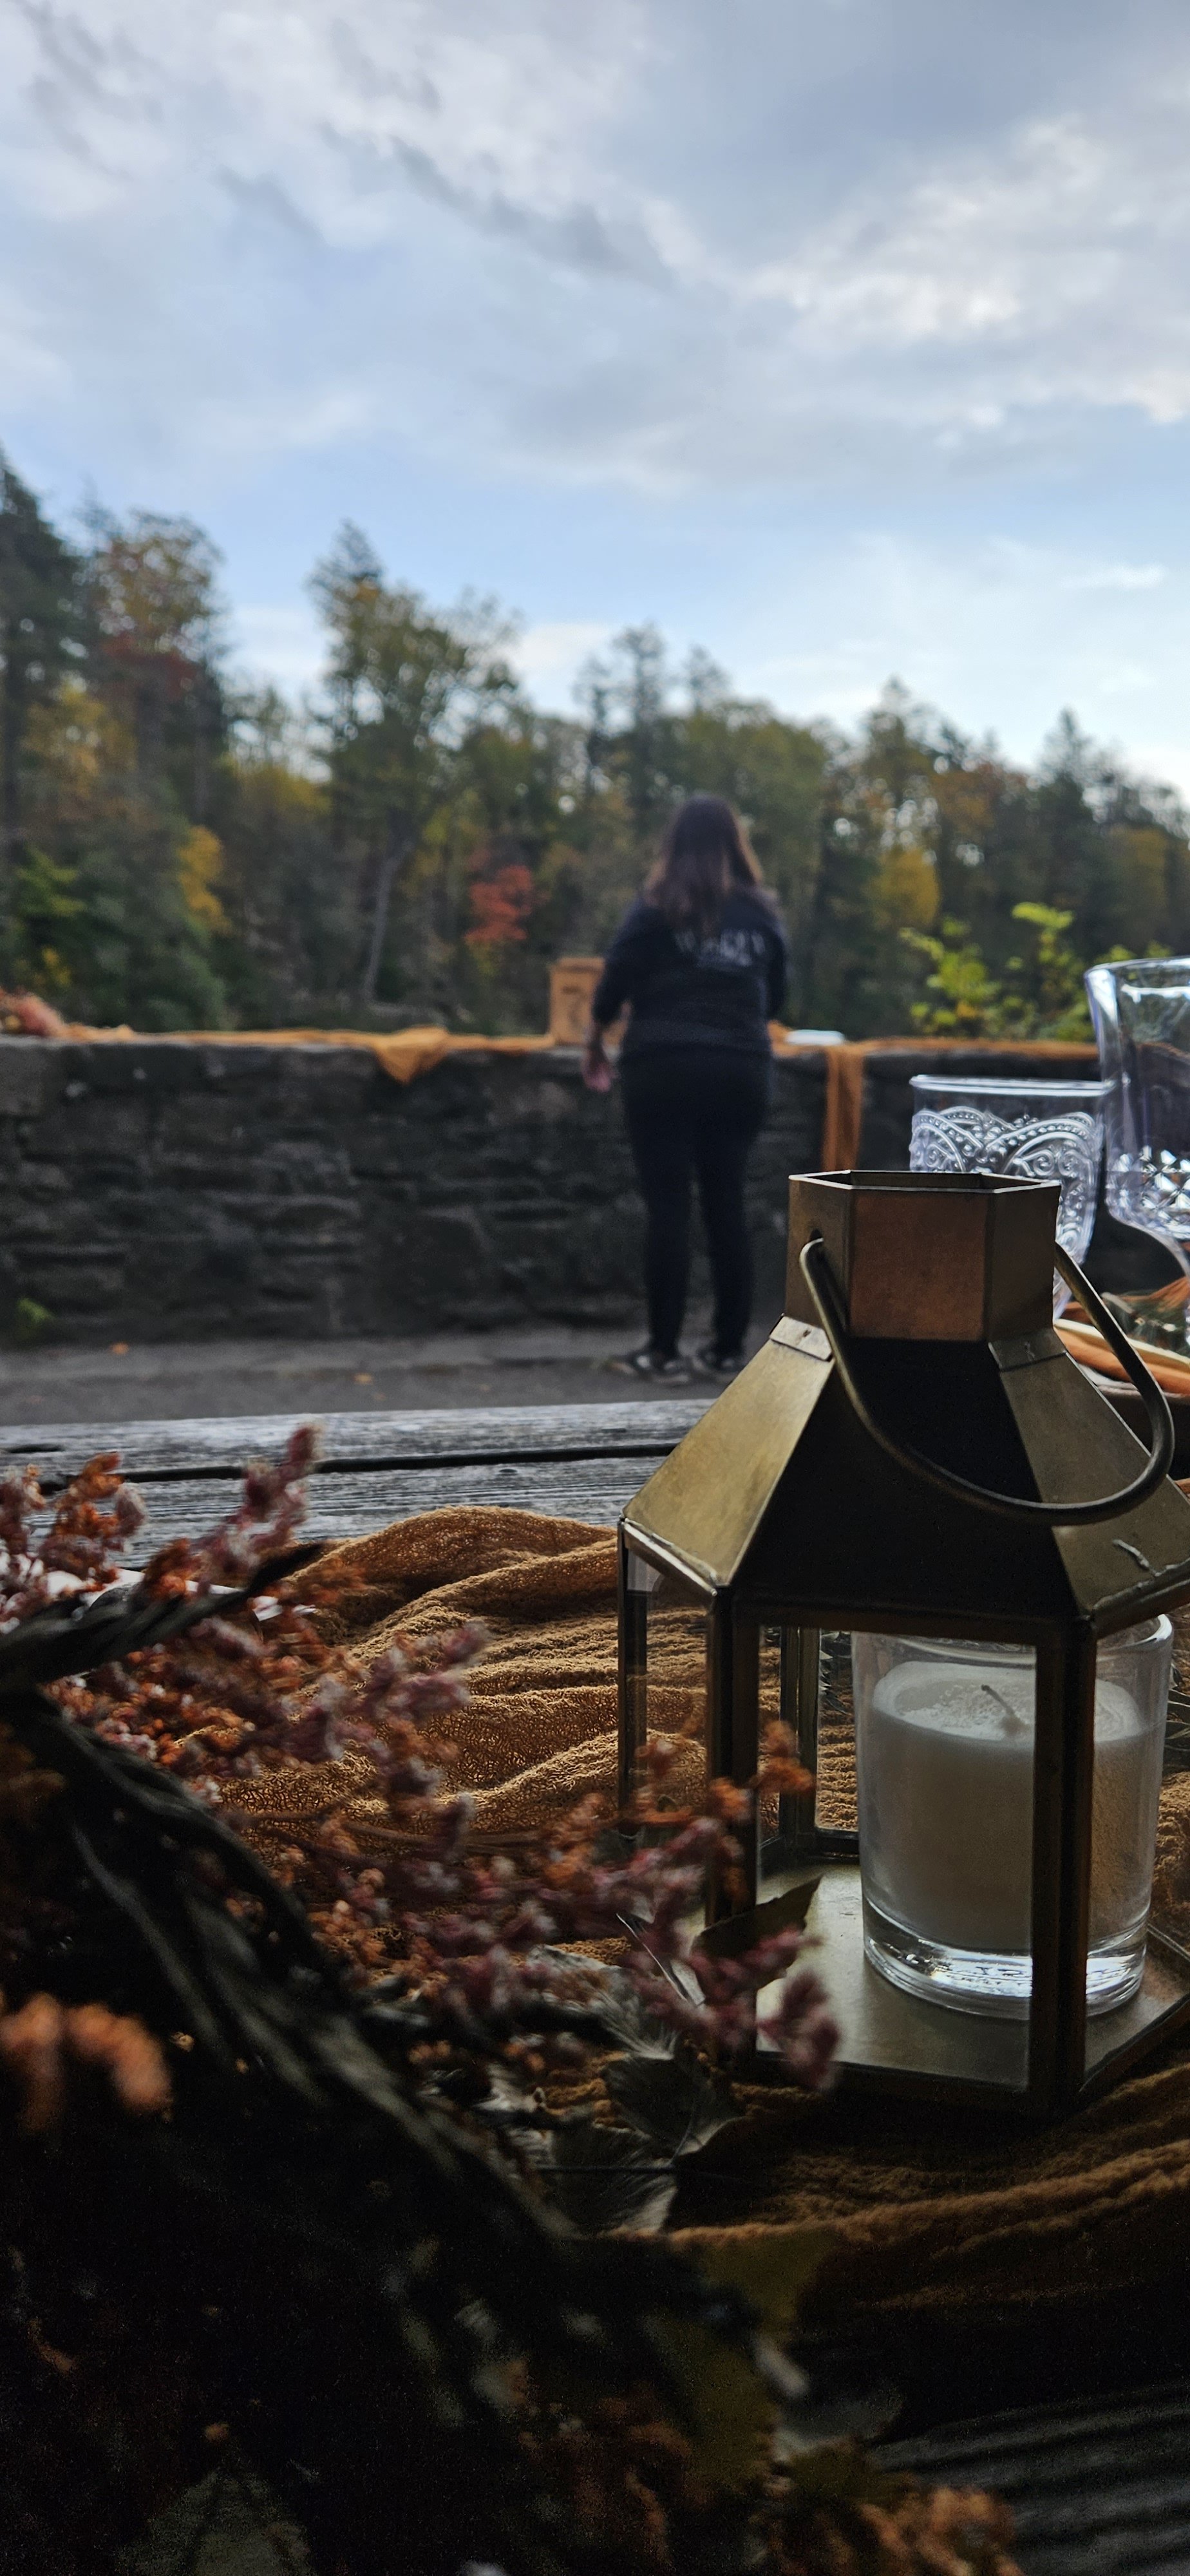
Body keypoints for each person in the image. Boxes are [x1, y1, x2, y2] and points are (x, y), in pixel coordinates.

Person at [583, 793, 789, 1381]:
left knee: (669, 1208)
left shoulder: (655, 907)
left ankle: (663, 1351)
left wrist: (595, 1038)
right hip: (739, 1069)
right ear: (735, 844)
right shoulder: (761, 914)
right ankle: (727, 1351)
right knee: (728, 1203)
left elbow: (614, 980)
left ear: (673, 843)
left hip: (663, 1066)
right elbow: (777, 999)